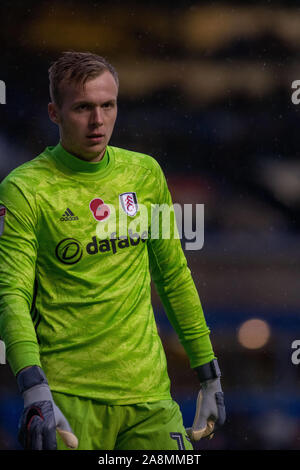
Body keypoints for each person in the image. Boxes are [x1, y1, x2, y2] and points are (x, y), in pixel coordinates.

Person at [0, 51, 225, 451]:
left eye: (108, 105)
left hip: (150, 398)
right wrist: (33, 386)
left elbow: (173, 276)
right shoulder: (23, 189)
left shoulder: (144, 173)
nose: (98, 120)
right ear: (54, 113)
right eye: (83, 108)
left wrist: (209, 373)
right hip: (67, 397)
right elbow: (10, 295)